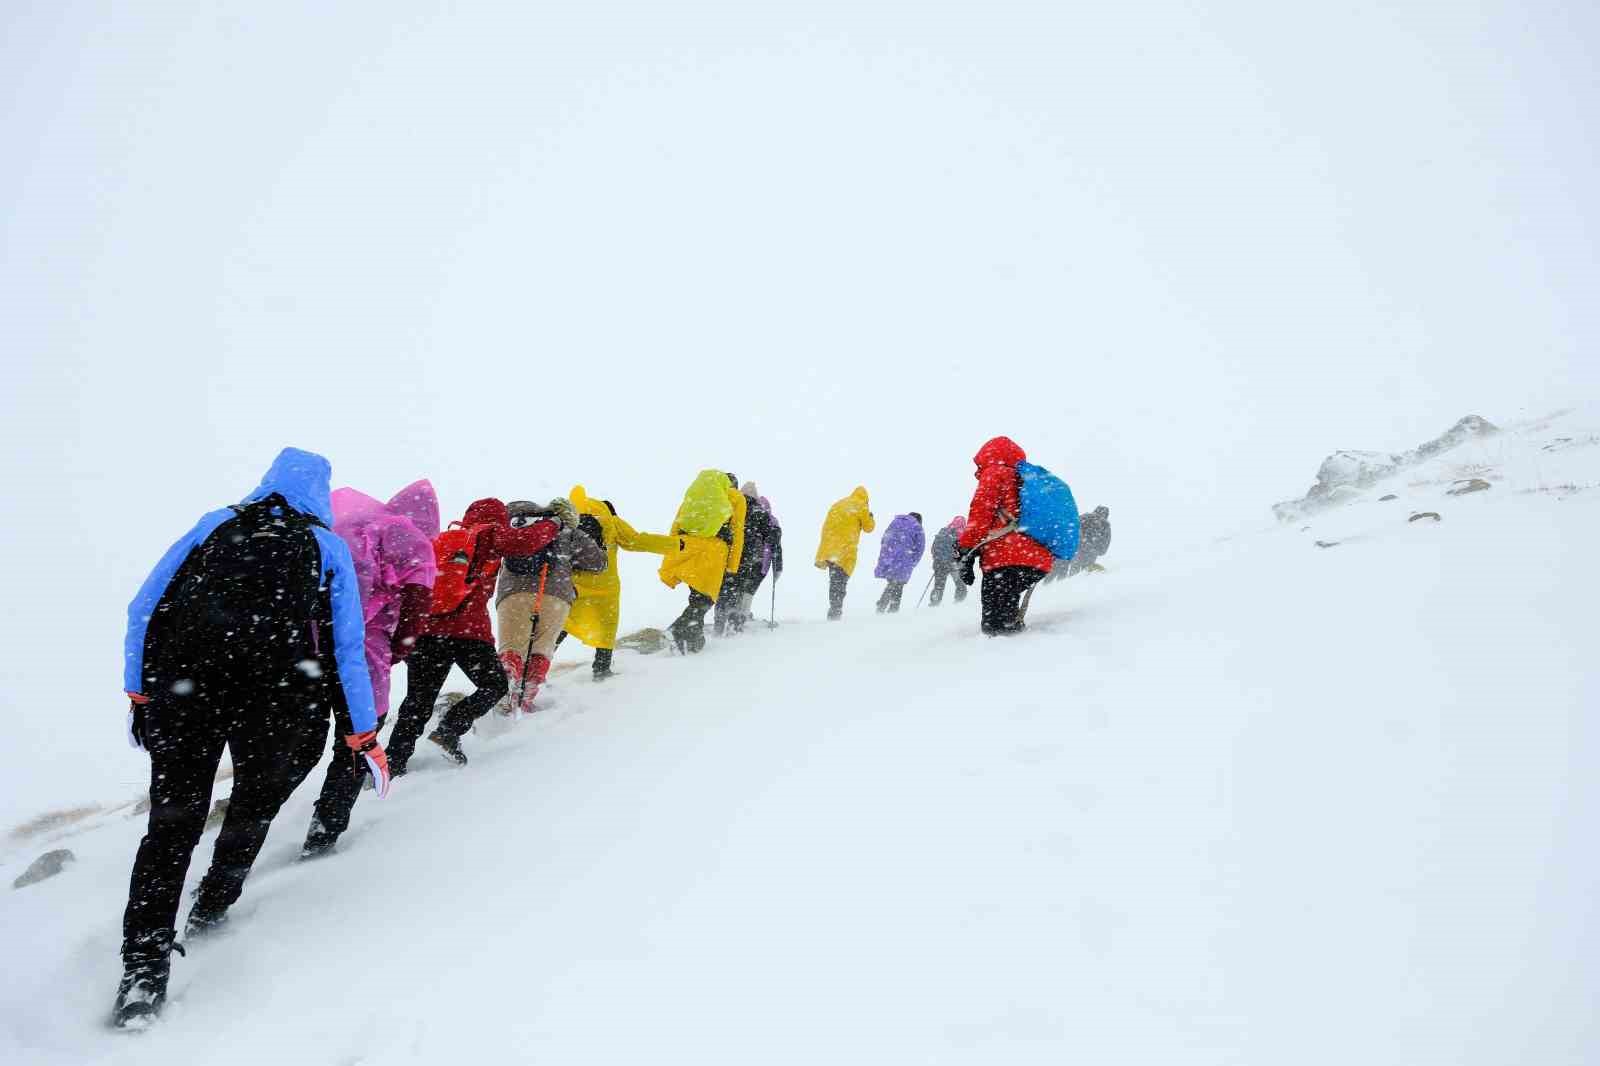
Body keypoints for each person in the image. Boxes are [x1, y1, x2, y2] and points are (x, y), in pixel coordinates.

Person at [114, 448, 386, 1029]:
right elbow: (347, 651)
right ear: (320, 492)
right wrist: (362, 732)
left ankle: (142, 970)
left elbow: (142, 607)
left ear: (268, 481)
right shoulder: (326, 546)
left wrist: (138, 692)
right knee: (253, 806)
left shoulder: (216, 523)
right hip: (278, 696)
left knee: (170, 827)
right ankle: (214, 901)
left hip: (187, 690)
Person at [300, 480, 439, 859]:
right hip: (363, 656)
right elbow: (417, 601)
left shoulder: (336, 525)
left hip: (306, 650)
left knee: (300, 740)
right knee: (360, 739)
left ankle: (253, 818)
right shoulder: (406, 536)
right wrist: (401, 646)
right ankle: (324, 831)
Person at [384, 498, 559, 771]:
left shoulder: (441, 540)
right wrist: (553, 523)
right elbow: (526, 542)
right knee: (494, 686)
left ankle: (392, 762)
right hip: (468, 633)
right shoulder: (489, 534)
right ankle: (450, 728)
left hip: (427, 632)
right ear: (497, 518)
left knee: (418, 701)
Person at [496, 498, 605, 711]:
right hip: (555, 594)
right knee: (542, 649)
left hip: (513, 594)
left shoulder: (511, 526)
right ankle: (526, 699)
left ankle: (505, 692)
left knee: (512, 648)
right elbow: (598, 563)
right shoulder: (565, 529)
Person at [561, 485, 676, 677]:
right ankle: (601, 668)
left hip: (574, 583)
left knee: (563, 623)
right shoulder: (611, 521)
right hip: (605, 584)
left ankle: (536, 668)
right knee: (607, 626)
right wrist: (674, 545)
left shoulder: (569, 520)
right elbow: (637, 541)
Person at [956, 436, 1055, 635]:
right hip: (1036, 558)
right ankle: (1014, 642)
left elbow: (980, 514)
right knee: (1007, 611)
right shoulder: (1026, 478)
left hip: (1004, 557)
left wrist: (965, 550)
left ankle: (1003, 655)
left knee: (995, 627)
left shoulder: (995, 473)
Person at [660, 470, 747, 653]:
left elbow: (677, 523)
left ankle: (694, 642)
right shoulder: (736, 498)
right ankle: (677, 628)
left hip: (689, 547)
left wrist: (672, 552)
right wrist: (732, 565)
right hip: (713, 552)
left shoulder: (695, 495)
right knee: (706, 598)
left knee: (696, 594)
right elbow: (738, 533)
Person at [716, 481, 778, 635]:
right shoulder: (760, 511)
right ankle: (737, 619)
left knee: (727, 589)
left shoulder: (732, 508)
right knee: (745, 590)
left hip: (730, 556)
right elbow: (771, 537)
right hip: (752, 559)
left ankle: (721, 620)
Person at [814, 486, 875, 620]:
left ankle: (834, 610)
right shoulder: (861, 505)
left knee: (835, 580)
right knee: (840, 581)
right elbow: (869, 527)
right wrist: (870, 516)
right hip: (845, 549)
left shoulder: (838, 504)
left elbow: (827, 526)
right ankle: (835, 612)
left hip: (830, 548)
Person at [873, 512, 925, 613]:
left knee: (893, 582)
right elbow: (920, 548)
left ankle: (883, 605)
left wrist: (886, 554)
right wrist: (912, 562)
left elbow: (884, 538)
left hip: (889, 557)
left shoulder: (895, 522)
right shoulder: (917, 526)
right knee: (898, 584)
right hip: (904, 558)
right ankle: (892, 609)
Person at [928, 516, 968, 606]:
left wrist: (938, 559)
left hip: (939, 562)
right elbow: (962, 551)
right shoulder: (962, 533)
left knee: (938, 585)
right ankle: (959, 602)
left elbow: (933, 548)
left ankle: (934, 603)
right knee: (959, 583)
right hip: (953, 563)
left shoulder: (943, 531)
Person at [1069, 505, 1111, 575]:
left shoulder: (1083, 517)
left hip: (1077, 549)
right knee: (1085, 572)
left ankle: (1070, 581)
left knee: (1074, 570)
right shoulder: (1105, 525)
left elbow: (1072, 528)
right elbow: (1104, 547)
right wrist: (1099, 550)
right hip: (1091, 552)